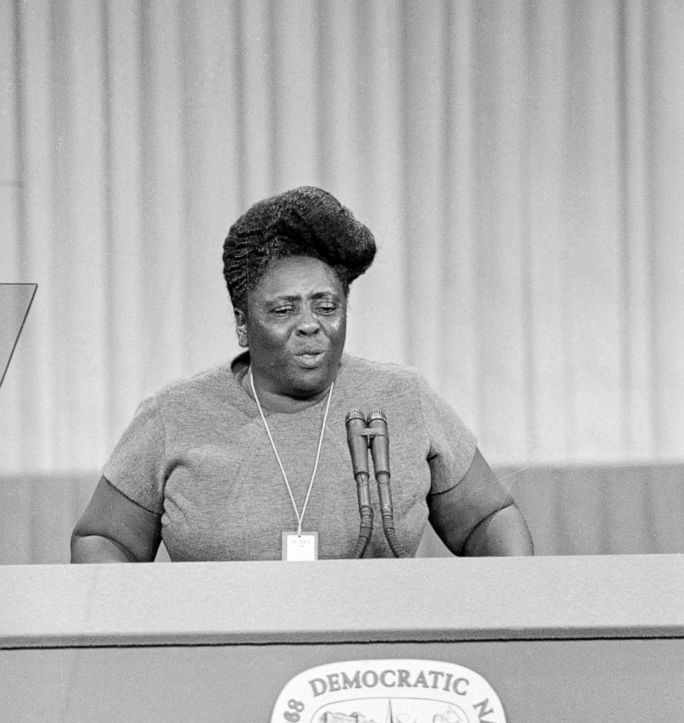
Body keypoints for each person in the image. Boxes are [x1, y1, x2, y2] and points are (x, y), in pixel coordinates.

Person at [71, 186, 533, 563]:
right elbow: (104, 541)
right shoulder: (174, 414)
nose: (310, 324)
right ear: (241, 325)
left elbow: (488, 519)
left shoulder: (401, 397)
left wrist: (513, 606)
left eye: (327, 306)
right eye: (284, 309)